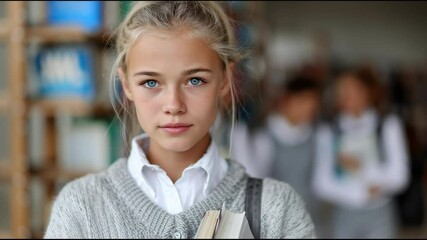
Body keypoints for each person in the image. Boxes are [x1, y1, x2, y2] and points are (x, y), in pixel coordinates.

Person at [44, 1, 314, 238]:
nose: (173, 105)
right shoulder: (81, 207)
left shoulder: (277, 210)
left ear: (225, 79)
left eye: (195, 80)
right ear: (126, 85)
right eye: (151, 82)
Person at [312, 64, 410, 238]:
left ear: (368, 91)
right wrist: (362, 192)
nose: (345, 96)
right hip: (344, 215)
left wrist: (361, 170)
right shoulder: (329, 131)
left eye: (352, 89)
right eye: (341, 91)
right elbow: (321, 182)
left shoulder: (387, 125)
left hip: (381, 216)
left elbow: (400, 175)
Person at [231, 73, 332, 237]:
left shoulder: (316, 135)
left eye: (313, 106)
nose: (309, 111)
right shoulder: (265, 136)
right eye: (303, 103)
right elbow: (256, 179)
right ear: (286, 101)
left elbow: (322, 181)